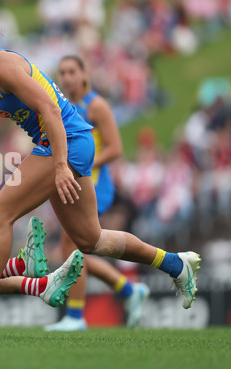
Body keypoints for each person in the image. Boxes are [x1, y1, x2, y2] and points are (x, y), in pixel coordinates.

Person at [0, 11, 200, 335]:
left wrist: (59, 166)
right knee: (90, 239)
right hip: (64, 143)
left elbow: (51, 109)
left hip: (66, 141)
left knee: (0, 214)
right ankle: (176, 264)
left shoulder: (1, 65)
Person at [45, 55, 149, 331]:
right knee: (79, 247)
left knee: (72, 246)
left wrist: (84, 163)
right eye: (62, 72)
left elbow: (115, 148)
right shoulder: (60, 106)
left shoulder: (96, 105)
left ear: (84, 75)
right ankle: (128, 290)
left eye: (72, 71)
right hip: (73, 183)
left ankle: (76, 317)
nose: (66, 77)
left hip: (96, 183)